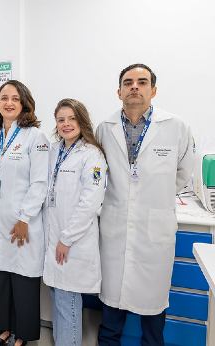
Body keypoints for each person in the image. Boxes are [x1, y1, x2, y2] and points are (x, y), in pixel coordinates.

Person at [96, 64, 196, 346]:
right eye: (128, 83)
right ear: (119, 92)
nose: (134, 87)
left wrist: (154, 197)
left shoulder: (176, 126)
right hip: (115, 227)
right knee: (111, 311)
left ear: (153, 90)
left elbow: (184, 172)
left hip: (155, 229)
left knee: (153, 315)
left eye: (142, 82)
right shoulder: (105, 127)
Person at [0, 80, 50, 346]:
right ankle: (3, 328)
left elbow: (40, 182)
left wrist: (25, 218)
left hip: (20, 223)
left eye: (15, 98)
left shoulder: (35, 137)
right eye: (3, 98)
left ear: (24, 103)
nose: (9, 103)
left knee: (22, 280)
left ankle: (24, 334)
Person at [42, 99, 107, 346]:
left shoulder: (92, 154)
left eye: (72, 118)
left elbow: (90, 203)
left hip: (72, 241)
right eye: (61, 120)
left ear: (82, 121)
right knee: (58, 298)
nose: (66, 124)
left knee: (67, 302)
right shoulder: (54, 149)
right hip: (54, 237)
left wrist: (66, 239)